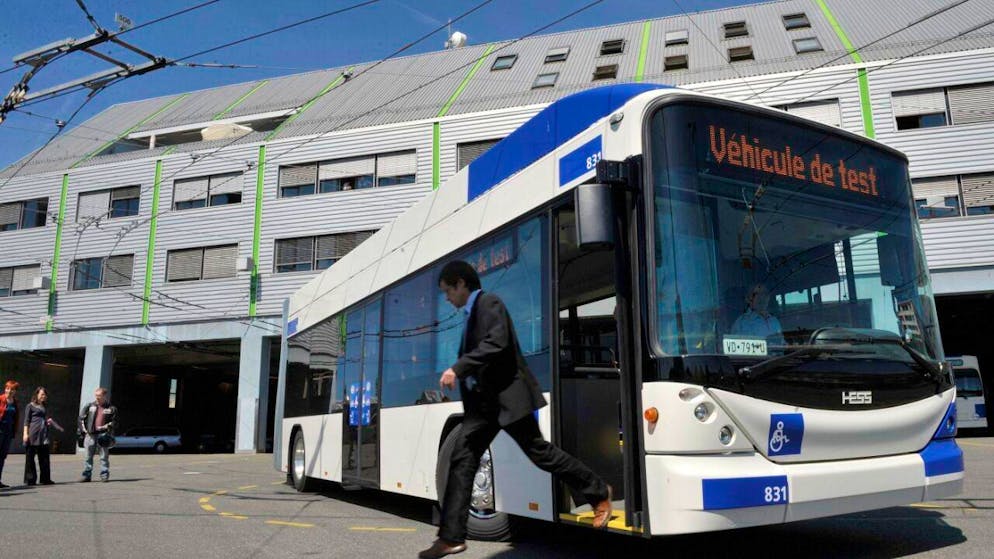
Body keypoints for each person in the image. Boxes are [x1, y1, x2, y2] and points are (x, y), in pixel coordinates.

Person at [419, 261, 612, 559]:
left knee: (541, 453)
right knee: (461, 461)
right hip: (484, 408)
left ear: (461, 284)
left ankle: (598, 492)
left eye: (448, 291)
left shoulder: (489, 303)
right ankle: (451, 537)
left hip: (509, 400)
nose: (447, 298)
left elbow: (497, 343)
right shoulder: (470, 315)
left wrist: (457, 368)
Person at [78, 387, 117, 483]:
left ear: (104, 396)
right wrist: (84, 431)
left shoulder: (111, 408)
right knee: (88, 456)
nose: (97, 397)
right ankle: (86, 475)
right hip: (90, 434)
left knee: (103, 457)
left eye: (99, 396)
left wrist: (108, 426)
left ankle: (104, 475)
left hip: (103, 435)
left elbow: (115, 421)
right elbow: (81, 418)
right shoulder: (89, 406)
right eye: (96, 395)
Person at [23, 387, 55, 486]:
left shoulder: (45, 407)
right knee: (30, 458)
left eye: (45, 395)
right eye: (42, 394)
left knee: (44, 458)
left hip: (43, 435)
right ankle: (30, 479)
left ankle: (45, 479)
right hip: (33, 435)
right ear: (36, 395)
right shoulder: (30, 406)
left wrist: (47, 422)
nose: (44, 396)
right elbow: (26, 421)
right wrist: (25, 433)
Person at [0, 380, 21, 489]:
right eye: (7, 388)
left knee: (2, 456)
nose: (9, 391)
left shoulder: (15, 402)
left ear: (15, 391)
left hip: (8, 432)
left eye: (12, 389)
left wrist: (14, 431)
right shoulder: (0, 399)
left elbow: (16, 417)